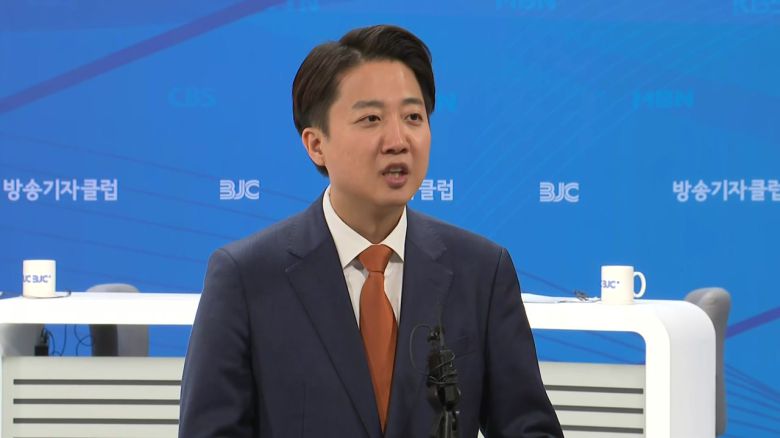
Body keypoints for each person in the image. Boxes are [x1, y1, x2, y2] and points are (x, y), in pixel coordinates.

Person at [179, 24, 563, 438]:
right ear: (316, 145)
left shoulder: (482, 271)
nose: (398, 140)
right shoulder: (246, 277)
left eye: (413, 117)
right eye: (371, 119)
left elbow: (529, 428)